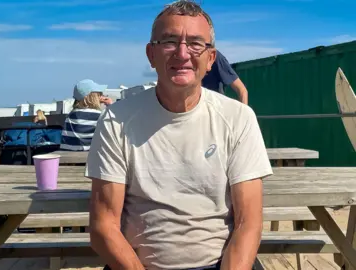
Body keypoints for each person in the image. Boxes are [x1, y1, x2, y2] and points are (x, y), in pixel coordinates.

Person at [85, 1, 273, 269]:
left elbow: (248, 223)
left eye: (196, 43)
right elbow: (104, 226)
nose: (183, 53)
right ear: (151, 54)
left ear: (211, 59)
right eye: (169, 42)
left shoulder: (238, 118)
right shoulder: (116, 121)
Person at [60, 79, 112, 151]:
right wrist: (110, 106)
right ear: (93, 97)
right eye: (99, 94)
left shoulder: (70, 116)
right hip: (88, 157)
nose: (101, 96)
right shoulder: (99, 115)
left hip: (69, 154)